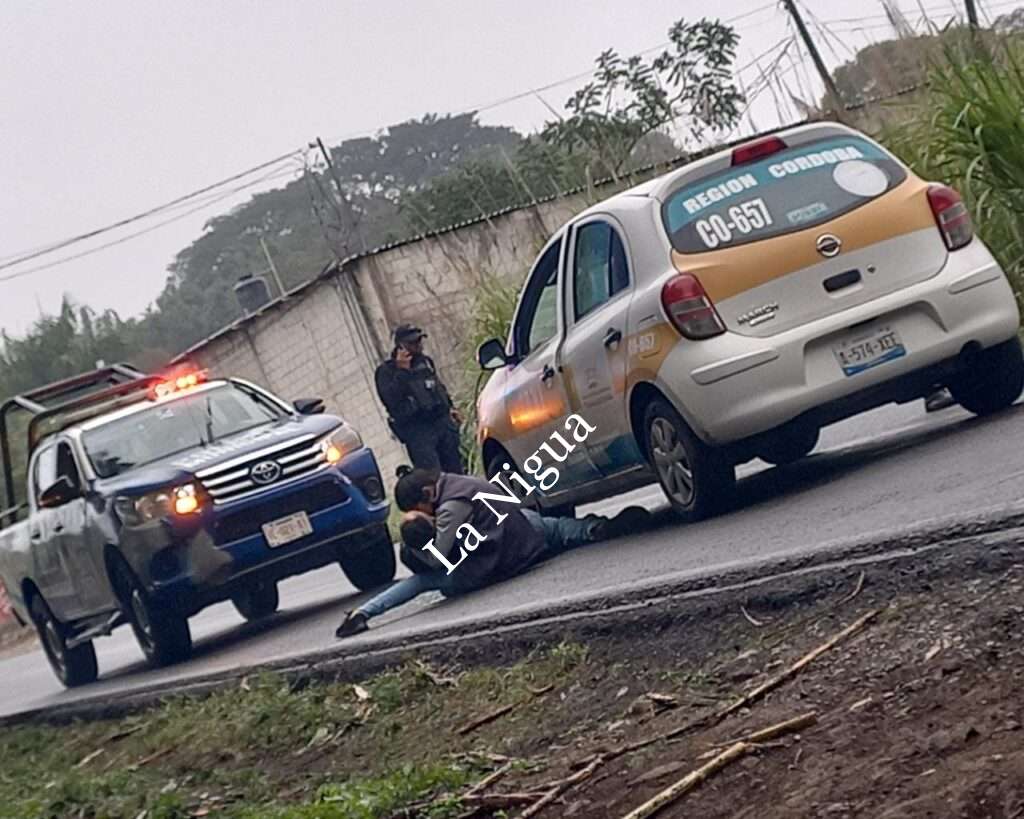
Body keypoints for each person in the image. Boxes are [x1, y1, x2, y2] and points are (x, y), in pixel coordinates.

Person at [335, 468, 652, 638]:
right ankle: (596, 528)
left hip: (494, 561)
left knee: (423, 582)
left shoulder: (450, 508)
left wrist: (413, 538)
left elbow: (437, 559)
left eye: (419, 508)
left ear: (427, 494)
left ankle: (363, 614)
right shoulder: (460, 481)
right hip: (524, 534)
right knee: (553, 526)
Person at [374, 324, 464, 474]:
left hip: (441, 423)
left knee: (457, 472)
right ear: (400, 346)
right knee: (432, 475)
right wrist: (402, 370)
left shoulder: (425, 362)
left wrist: (451, 408)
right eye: (413, 343)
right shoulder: (387, 371)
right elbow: (390, 400)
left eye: (419, 341)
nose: (418, 346)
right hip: (417, 431)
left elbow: (438, 387)